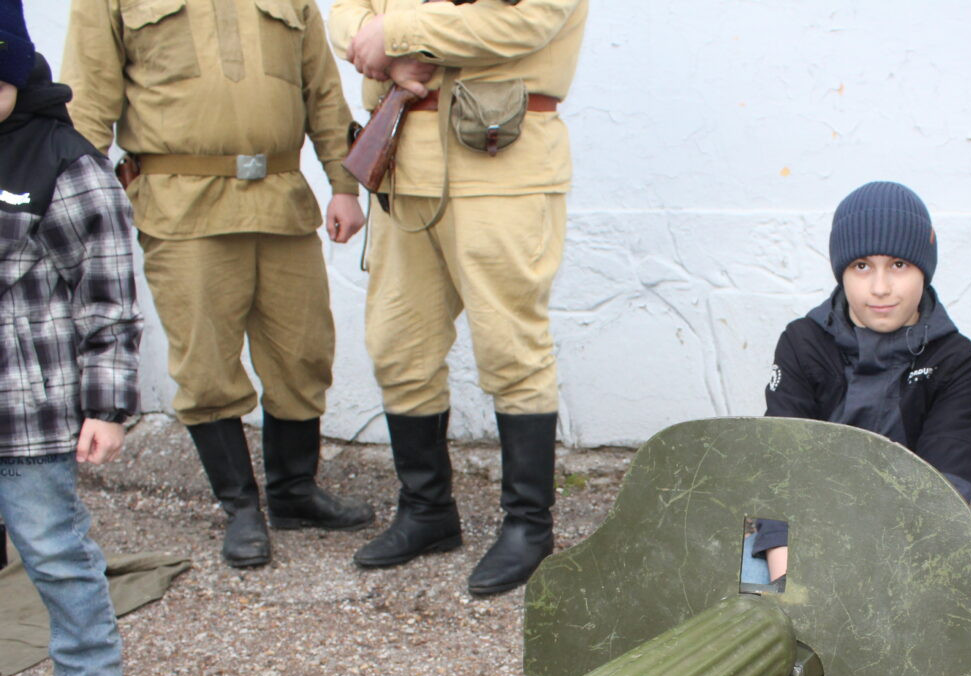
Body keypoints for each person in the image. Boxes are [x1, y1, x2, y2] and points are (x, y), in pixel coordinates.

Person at [61, 0, 373, 570]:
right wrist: (75, 202)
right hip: (180, 205)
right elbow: (88, 99)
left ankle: (293, 493)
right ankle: (241, 508)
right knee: (205, 365)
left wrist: (343, 184)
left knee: (303, 353)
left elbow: (323, 91)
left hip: (280, 197)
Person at [329, 0, 588, 596]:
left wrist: (396, 33)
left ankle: (528, 527)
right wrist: (375, 45)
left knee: (510, 348)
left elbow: (529, 21)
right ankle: (427, 512)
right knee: (398, 344)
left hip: (501, 165)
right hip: (400, 163)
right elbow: (347, 13)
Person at [747, 181, 971, 619]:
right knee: (736, 581)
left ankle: (897, 632)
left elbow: (945, 488)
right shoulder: (802, 343)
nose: (880, 287)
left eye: (898, 265)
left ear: (924, 269)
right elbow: (779, 467)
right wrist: (788, 587)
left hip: (911, 534)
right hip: (813, 525)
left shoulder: (957, 359)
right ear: (841, 272)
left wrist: (872, 577)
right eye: (862, 266)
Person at [0, 2, 140, 676]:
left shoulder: (65, 163)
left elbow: (108, 296)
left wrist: (107, 408)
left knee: (53, 550)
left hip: (28, 417)